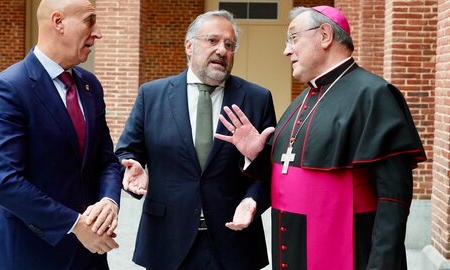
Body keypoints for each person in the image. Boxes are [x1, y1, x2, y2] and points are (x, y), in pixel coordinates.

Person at [215, 5, 427, 270]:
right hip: (294, 250)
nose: (286, 50)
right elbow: (288, 175)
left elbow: (393, 197)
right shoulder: (303, 99)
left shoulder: (375, 94)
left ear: (325, 35)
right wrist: (256, 155)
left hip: (347, 251)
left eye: (293, 38)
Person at [115, 10, 276, 270]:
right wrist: (131, 166)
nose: (222, 50)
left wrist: (251, 200)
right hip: (167, 241)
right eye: (212, 41)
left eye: (229, 44)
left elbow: (271, 171)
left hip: (234, 242)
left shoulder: (257, 99)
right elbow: (127, 151)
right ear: (189, 46)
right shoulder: (152, 95)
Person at [0, 0, 122, 269]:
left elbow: (106, 160)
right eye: (90, 20)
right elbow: (3, 182)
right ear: (58, 22)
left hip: (89, 254)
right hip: (30, 252)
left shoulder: (90, 85)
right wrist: (75, 224)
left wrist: (109, 200)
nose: (98, 32)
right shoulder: (9, 87)